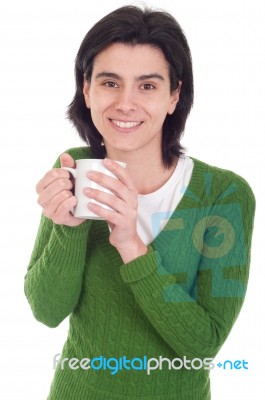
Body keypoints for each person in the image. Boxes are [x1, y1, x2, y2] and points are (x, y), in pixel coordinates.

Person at [24, 5, 255, 400]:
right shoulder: (74, 169)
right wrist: (68, 228)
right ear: (87, 90)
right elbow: (47, 311)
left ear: (174, 95)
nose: (126, 103)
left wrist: (132, 247)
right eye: (110, 83)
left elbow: (203, 346)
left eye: (147, 86)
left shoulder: (224, 195)